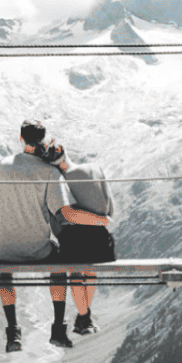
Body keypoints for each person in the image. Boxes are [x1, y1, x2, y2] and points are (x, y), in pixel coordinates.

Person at [0, 120, 110, 353]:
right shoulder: (50, 172)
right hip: (36, 249)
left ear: (21, 138)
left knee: (3, 266)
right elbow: (67, 213)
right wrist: (100, 220)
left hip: (1, 247)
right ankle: (58, 331)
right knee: (59, 265)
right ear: (42, 140)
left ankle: (13, 332)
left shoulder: (1, 164)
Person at [47, 143, 115, 335]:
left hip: (75, 240)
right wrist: (100, 220)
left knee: (76, 273)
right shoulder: (95, 168)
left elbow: (66, 216)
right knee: (90, 272)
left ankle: (84, 317)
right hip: (102, 240)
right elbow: (110, 209)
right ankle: (84, 317)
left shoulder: (58, 181)